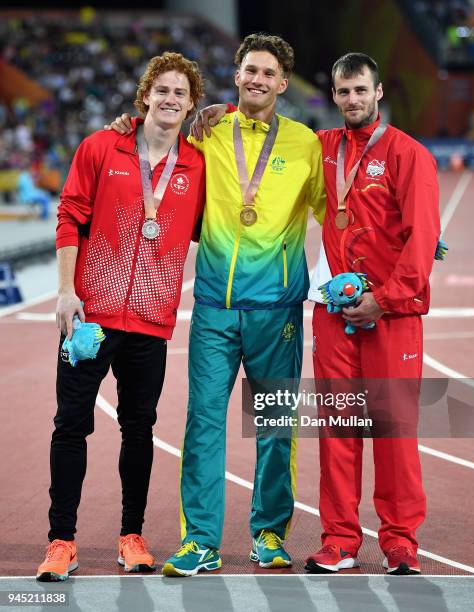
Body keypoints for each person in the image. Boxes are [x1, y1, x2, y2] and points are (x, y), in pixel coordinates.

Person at [108, 33, 327, 576]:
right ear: (236, 75)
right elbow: (154, 137)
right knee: (202, 423)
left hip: (277, 309)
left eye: (268, 73)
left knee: (276, 423)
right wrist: (126, 125)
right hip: (213, 307)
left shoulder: (304, 144)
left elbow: (338, 211)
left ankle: (269, 534)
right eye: (248, 70)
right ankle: (201, 540)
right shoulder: (207, 131)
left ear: (282, 82)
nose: (257, 79)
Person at [36, 51, 205, 582]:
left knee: (140, 430)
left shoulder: (199, 163)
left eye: (181, 93)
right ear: (145, 96)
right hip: (90, 314)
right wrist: (66, 291)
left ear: (192, 104)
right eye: (163, 90)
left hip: (150, 322)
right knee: (70, 428)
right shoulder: (100, 146)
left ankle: (131, 536)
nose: (170, 99)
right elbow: (69, 216)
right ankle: (61, 541)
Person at [305, 53, 440, 575]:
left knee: (393, 431)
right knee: (338, 429)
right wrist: (217, 111)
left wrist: (381, 300)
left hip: (392, 314)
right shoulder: (322, 148)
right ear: (334, 96)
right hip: (335, 316)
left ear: (378, 92)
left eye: (361, 90)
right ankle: (339, 540)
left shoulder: (409, 155)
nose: (352, 100)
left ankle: (400, 541)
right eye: (343, 92)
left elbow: (422, 239)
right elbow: (260, 131)